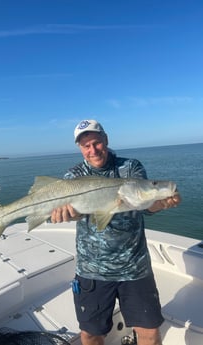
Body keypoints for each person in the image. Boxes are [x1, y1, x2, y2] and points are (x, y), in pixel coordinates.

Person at [51, 120, 181, 345]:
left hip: (135, 267)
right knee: (91, 335)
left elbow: (145, 205)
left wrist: (161, 203)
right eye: (86, 146)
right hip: (92, 269)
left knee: (149, 332)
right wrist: (67, 215)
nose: (93, 150)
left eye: (97, 143)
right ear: (80, 148)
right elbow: (75, 212)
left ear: (106, 139)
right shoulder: (73, 176)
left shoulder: (130, 168)